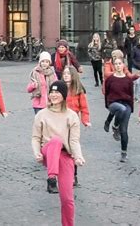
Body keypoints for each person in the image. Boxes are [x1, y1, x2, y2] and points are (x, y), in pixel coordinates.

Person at [32, 80, 85, 226]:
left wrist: (78, 156)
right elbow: (36, 137)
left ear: (63, 95)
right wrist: (37, 153)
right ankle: (51, 178)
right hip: (48, 152)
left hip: (64, 156)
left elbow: (74, 141)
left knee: (67, 199)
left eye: (57, 92)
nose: (53, 95)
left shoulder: (72, 115)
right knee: (55, 141)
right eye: (52, 92)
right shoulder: (41, 114)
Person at [62, 65, 90, 187]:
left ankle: (74, 175)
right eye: (64, 73)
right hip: (60, 122)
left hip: (73, 124)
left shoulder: (78, 90)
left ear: (73, 75)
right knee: (62, 148)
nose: (66, 75)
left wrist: (86, 120)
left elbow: (84, 108)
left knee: (73, 148)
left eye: (68, 73)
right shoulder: (59, 88)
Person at [104, 57, 134, 162]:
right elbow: (106, 93)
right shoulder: (110, 79)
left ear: (123, 65)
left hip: (126, 105)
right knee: (121, 108)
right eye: (115, 64)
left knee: (124, 130)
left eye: (120, 63)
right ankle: (113, 124)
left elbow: (131, 94)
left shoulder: (128, 80)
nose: (118, 66)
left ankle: (123, 153)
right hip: (113, 103)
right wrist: (107, 105)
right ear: (113, 66)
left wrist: (131, 109)